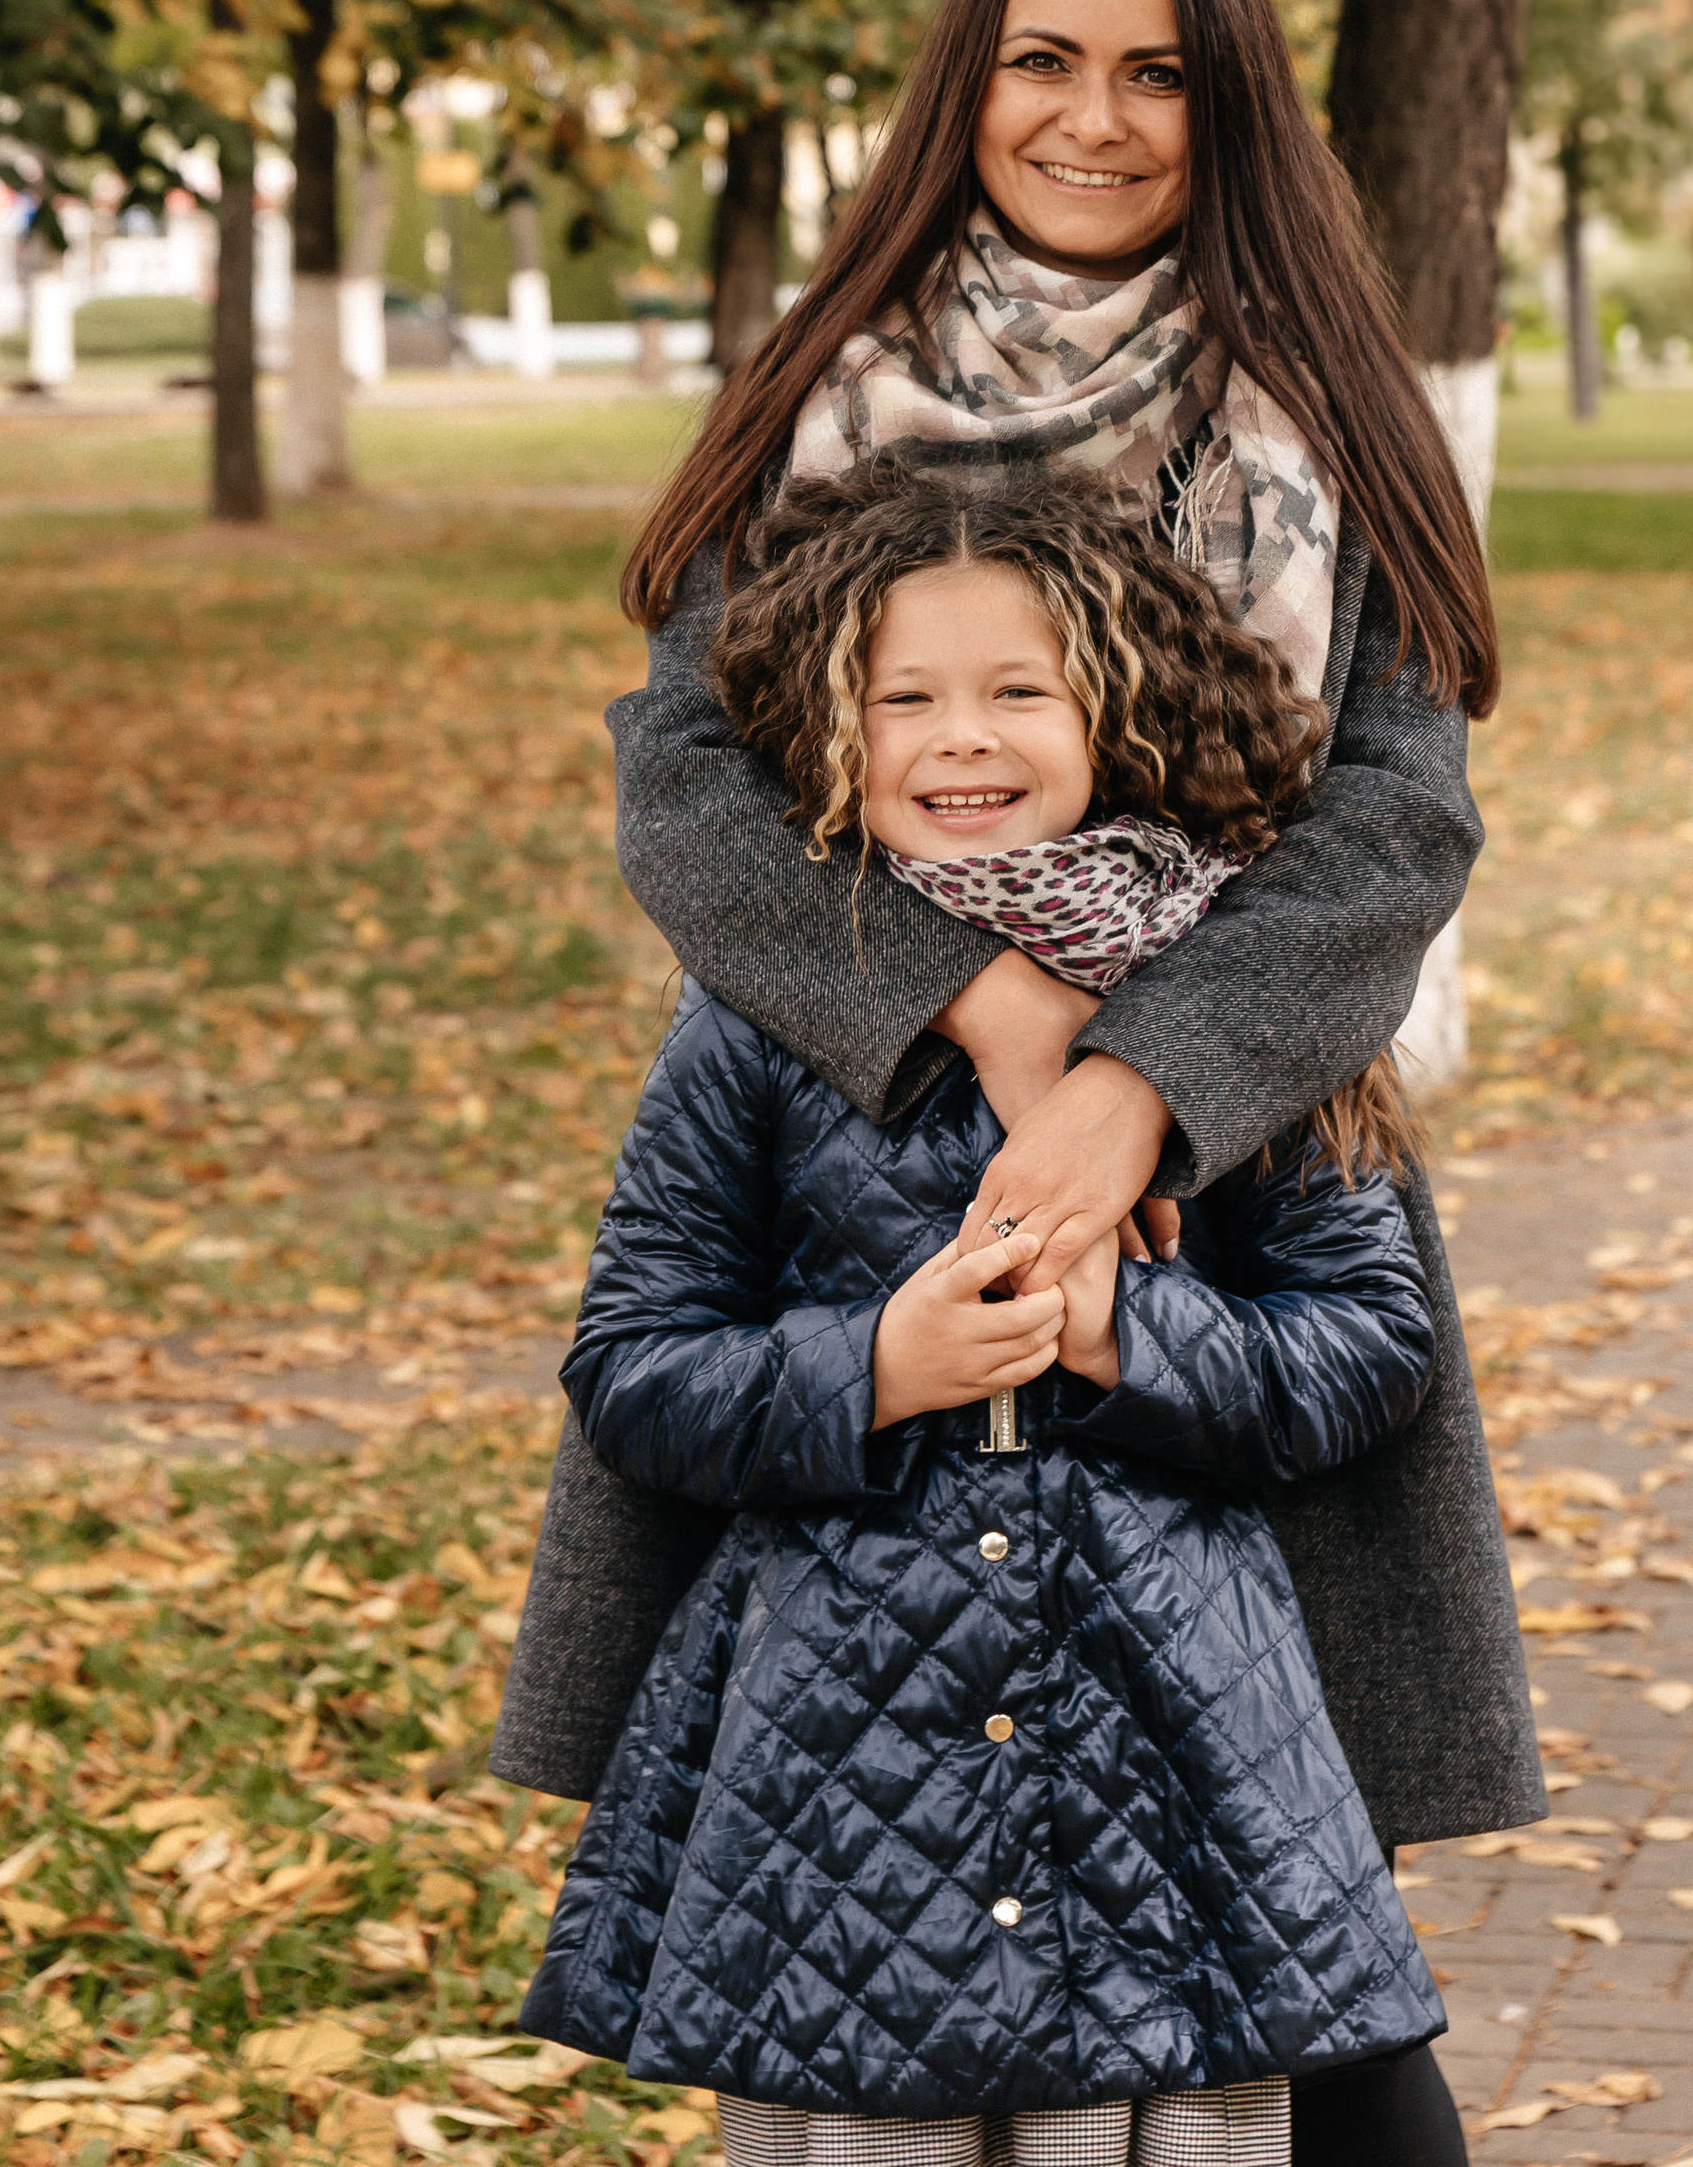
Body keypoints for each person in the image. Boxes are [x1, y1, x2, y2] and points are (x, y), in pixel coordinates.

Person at [494, 0, 1540, 2166]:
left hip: (1234, 1192)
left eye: (1156, 68)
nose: (1094, 114)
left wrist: (1140, 1096)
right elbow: (683, 787)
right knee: (855, 1895)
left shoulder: (1323, 424)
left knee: (1296, 1939)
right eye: (1043, 58)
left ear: (1229, 100)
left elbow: (1390, 821)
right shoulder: (819, 404)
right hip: (851, 1156)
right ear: (967, 81)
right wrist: (979, 1011)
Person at [520, 458, 1445, 2165]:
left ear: (1121, 714)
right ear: (828, 728)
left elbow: (1373, 1342)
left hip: (1176, 1759)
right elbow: (634, 1365)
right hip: (845, 1783)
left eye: (1022, 691)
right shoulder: (759, 1023)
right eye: (907, 698)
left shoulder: (1227, 996)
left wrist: (1127, 1345)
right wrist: (875, 1368)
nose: (963, 738)